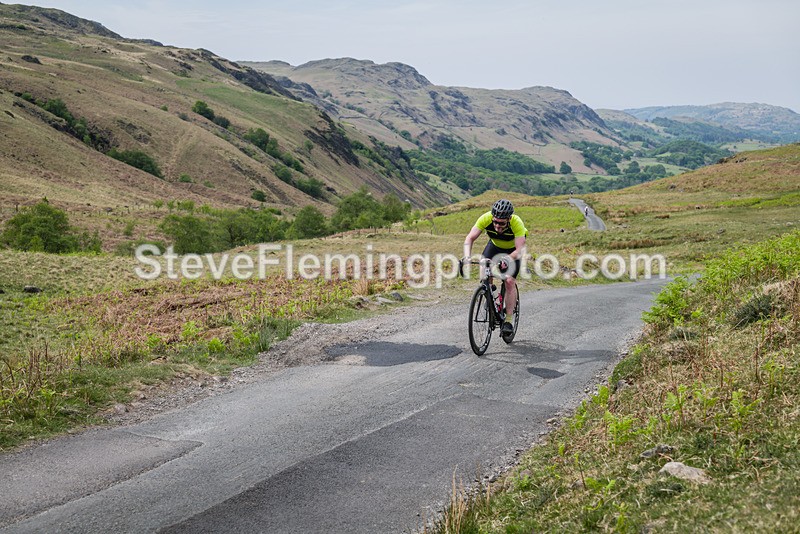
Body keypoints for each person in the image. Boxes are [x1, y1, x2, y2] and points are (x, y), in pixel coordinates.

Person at [462, 199, 528, 336]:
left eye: (502, 223)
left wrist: (508, 258)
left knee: (509, 282)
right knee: (483, 265)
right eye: (495, 222)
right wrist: (467, 257)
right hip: (494, 246)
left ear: (509, 219)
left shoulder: (517, 223)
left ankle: (508, 320)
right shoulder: (485, 218)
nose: (497, 226)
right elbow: (469, 238)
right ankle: (487, 292)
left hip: (512, 251)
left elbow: (520, 250)